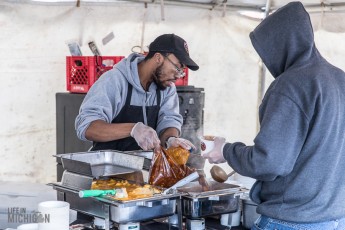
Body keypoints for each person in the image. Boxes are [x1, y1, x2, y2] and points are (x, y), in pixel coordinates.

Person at [203, 2, 345, 229]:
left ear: (280, 44)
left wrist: (226, 150)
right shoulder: (339, 78)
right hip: (335, 218)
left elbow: (269, 163)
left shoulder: (291, 84)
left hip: (291, 220)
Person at [75, 34, 198, 152]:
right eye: (177, 67)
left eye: (182, 71)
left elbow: (169, 121)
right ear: (158, 58)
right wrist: (133, 129)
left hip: (145, 169)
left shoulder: (167, 87)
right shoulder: (114, 81)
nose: (178, 76)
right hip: (109, 170)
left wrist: (171, 139)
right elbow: (87, 127)